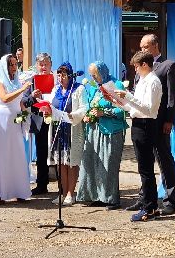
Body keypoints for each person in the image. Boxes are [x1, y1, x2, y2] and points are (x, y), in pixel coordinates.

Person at [114, 51, 165, 222]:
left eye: (136, 66)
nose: (135, 70)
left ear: (144, 65)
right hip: (138, 124)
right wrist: (121, 104)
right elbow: (136, 108)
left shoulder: (153, 81)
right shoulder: (143, 81)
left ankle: (149, 208)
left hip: (146, 125)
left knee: (146, 169)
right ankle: (149, 204)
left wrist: (127, 96)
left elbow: (149, 109)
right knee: (143, 168)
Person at [76, 61, 127, 207]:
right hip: (94, 130)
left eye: (95, 75)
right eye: (91, 75)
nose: (93, 78)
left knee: (108, 164)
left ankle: (111, 198)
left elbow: (122, 110)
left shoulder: (116, 85)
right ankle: (96, 196)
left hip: (111, 131)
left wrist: (104, 112)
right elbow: (90, 105)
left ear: (103, 72)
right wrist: (88, 114)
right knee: (93, 163)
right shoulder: (94, 88)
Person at [141, 34, 175, 212]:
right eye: (141, 47)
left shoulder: (168, 66)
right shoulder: (142, 67)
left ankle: (170, 199)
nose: (143, 50)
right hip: (143, 122)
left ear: (155, 46)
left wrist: (169, 120)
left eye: (146, 47)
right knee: (145, 161)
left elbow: (173, 97)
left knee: (164, 159)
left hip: (160, 122)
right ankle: (145, 198)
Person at [0, 52, 32, 202]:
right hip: (3, 119)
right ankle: (0, 191)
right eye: (10, 64)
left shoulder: (17, 82)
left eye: (15, 64)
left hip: (16, 120)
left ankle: (18, 190)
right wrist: (23, 89)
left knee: (17, 153)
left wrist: (25, 112)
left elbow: (19, 102)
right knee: (3, 154)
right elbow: (5, 98)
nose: (14, 67)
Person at [49, 63, 82, 204]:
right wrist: (47, 111)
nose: (61, 78)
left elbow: (84, 107)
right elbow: (51, 105)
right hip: (58, 129)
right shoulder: (55, 89)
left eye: (63, 75)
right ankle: (62, 193)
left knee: (71, 162)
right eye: (59, 75)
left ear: (70, 76)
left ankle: (70, 193)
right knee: (60, 162)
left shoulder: (78, 89)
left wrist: (71, 115)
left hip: (71, 129)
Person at [27, 51, 56, 196]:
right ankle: (42, 184)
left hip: (55, 118)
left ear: (51, 65)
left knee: (58, 151)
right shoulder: (31, 80)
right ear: (37, 66)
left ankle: (62, 185)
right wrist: (33, 96)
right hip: (39, 119)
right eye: (41, 64)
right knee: (41, 152)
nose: (44, 67)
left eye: (46, 64)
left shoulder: (57, 78)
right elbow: (25, 101)